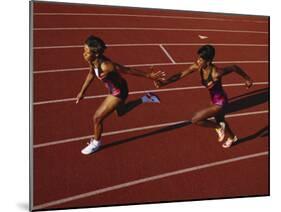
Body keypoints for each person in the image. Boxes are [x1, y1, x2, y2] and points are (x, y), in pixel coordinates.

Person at [76, 35, 165, 155]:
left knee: (97, 118)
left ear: (96, 54)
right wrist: (82, 92)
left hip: (118, 92)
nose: (84, 54)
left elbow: (127, 70)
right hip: (114, 89)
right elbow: (91, 73)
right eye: (84, 50)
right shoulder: (92, 61)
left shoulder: (106, 65)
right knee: (121, 112)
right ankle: (146, 98)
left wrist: (149, 76)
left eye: (86, 51)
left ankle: (96, 143)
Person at [154, 45, 253, 148]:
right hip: (214, 100)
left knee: (196, 119)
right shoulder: (198, 66)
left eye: (201, 60)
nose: (198, 61)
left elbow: (234, 67)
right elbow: (180, 74)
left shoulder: (216, 73)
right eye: (198, 58)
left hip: (221, 103)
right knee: (221, 120)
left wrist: (247, 79)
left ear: (208, 61)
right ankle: (232, 138)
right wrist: (164, 83)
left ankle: (219, 127)